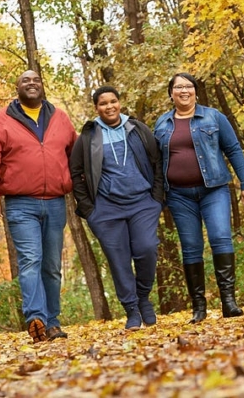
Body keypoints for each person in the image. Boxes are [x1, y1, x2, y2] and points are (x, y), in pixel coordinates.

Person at [0, 69, 77, 343]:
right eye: (25, 81)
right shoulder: (0, 121)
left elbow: (75, 156)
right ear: (17, 87)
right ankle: (36, 319)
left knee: (52, 265)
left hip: (56, 202)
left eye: (36, 80)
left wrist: (82, 192)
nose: (31, 84)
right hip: (20, 204)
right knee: (31, 260)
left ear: (42, 86)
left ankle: (53, 322)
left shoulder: (60, 118)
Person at [153, 72, 244, 324]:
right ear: (171, 93)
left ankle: (229, 302)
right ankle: (199, 308)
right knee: (191, 248)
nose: (184, 91)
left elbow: (233, 149)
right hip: (178, 196)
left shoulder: (214, 117)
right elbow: (154, 161)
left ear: (196, 91)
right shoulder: (162, 124)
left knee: (221, 238)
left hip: (214, 189)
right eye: (178, 87)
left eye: (188, 86)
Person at [69, 85, 163, 330]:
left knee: (147, 248)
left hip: (142, 202)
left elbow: (157, 160)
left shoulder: (137, 128)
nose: (109, 106)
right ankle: (131, 309)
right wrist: (89, 209)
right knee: (118, 259)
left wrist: (156, 197)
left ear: (119, 103)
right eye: (103, 103)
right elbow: (76, 172)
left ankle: (143, 297)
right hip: (106, 209)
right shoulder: (89, 136)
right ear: (96, 108)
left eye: (113, 101)